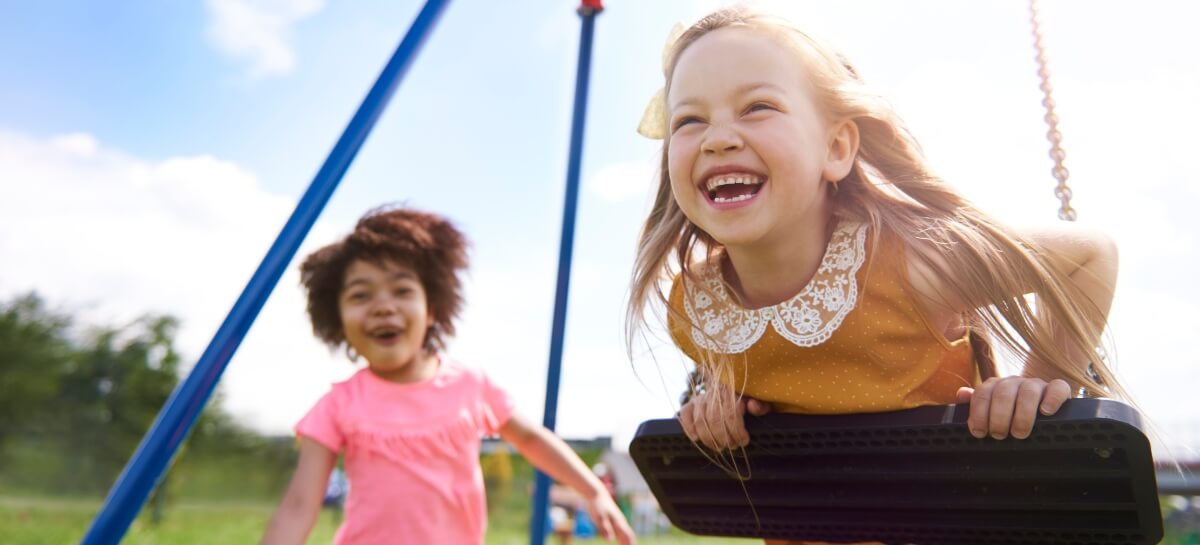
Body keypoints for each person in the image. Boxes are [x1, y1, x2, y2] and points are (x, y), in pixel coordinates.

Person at [626, 5, 1132, 534]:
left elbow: (1090, 254)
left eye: (756, 107)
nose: (717, 137)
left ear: (837, 148)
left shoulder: (907, 265)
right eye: (690, 119)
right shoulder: (696, 308)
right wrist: (714, 411)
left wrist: (1038, 381)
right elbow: (753, 389)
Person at [261, 206, 634, 545]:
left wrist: (593, 491)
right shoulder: (337, 405)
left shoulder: (470, 385)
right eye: (361, 296)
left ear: (432, 308)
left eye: (402, 290)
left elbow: (532, 439)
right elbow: (299, 504)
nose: (383, 307)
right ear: (337, 319)